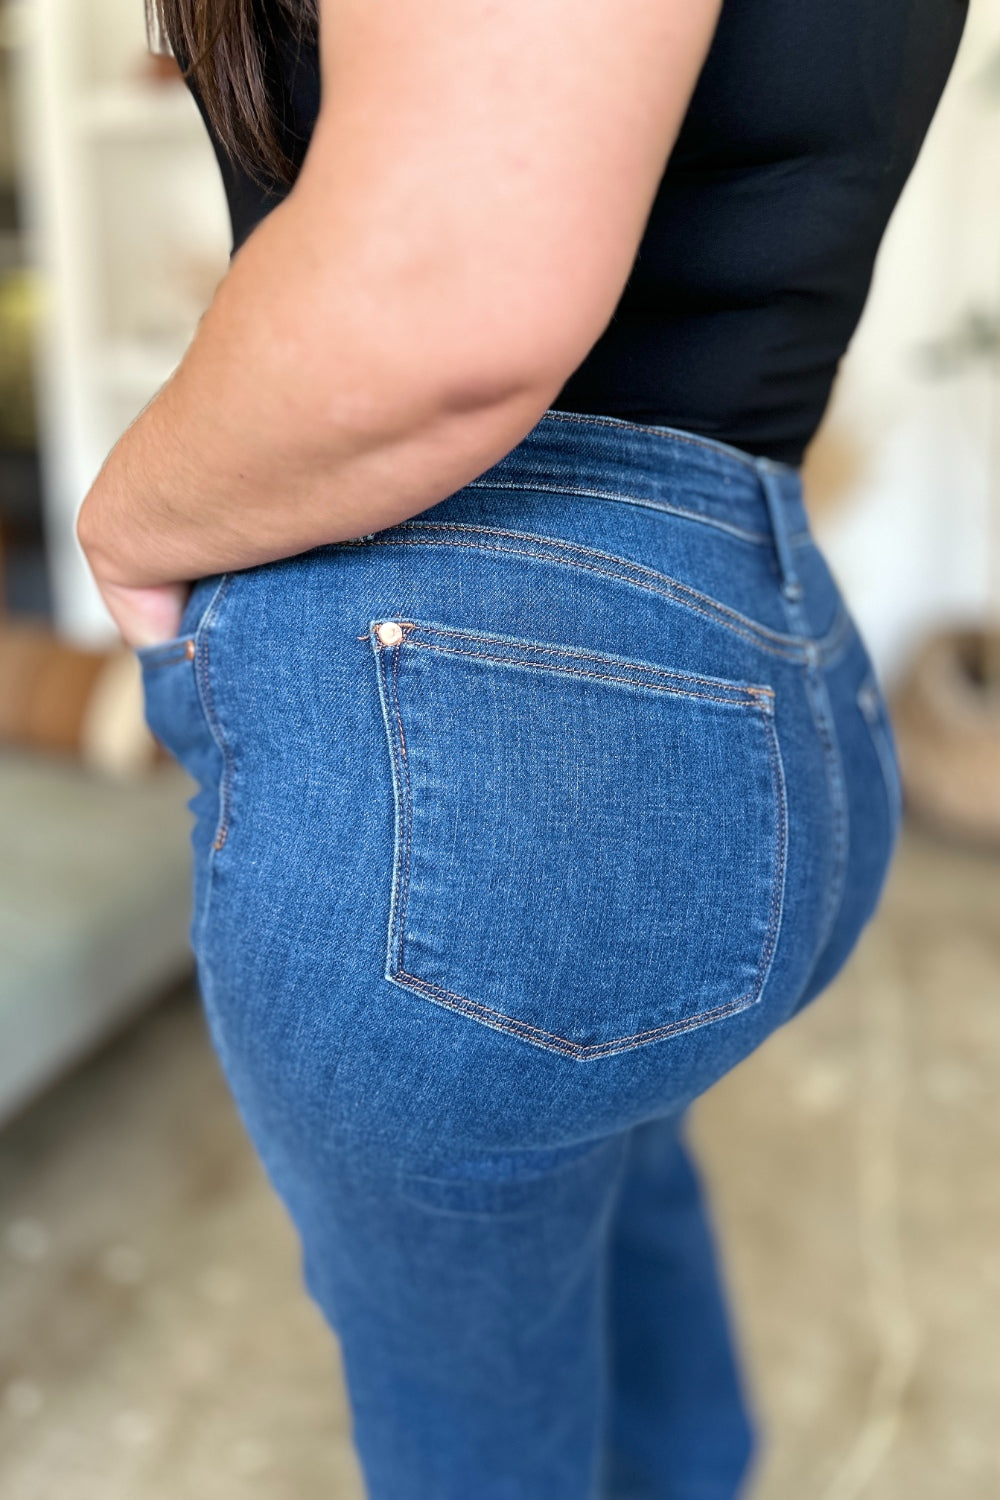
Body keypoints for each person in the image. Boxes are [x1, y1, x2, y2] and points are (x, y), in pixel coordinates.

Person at [76, 0, 967, 1494]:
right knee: (617, 1163)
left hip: (472, 736)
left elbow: (447, 298)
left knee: (468, 1432)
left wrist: (128, 520)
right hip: (775, 659)